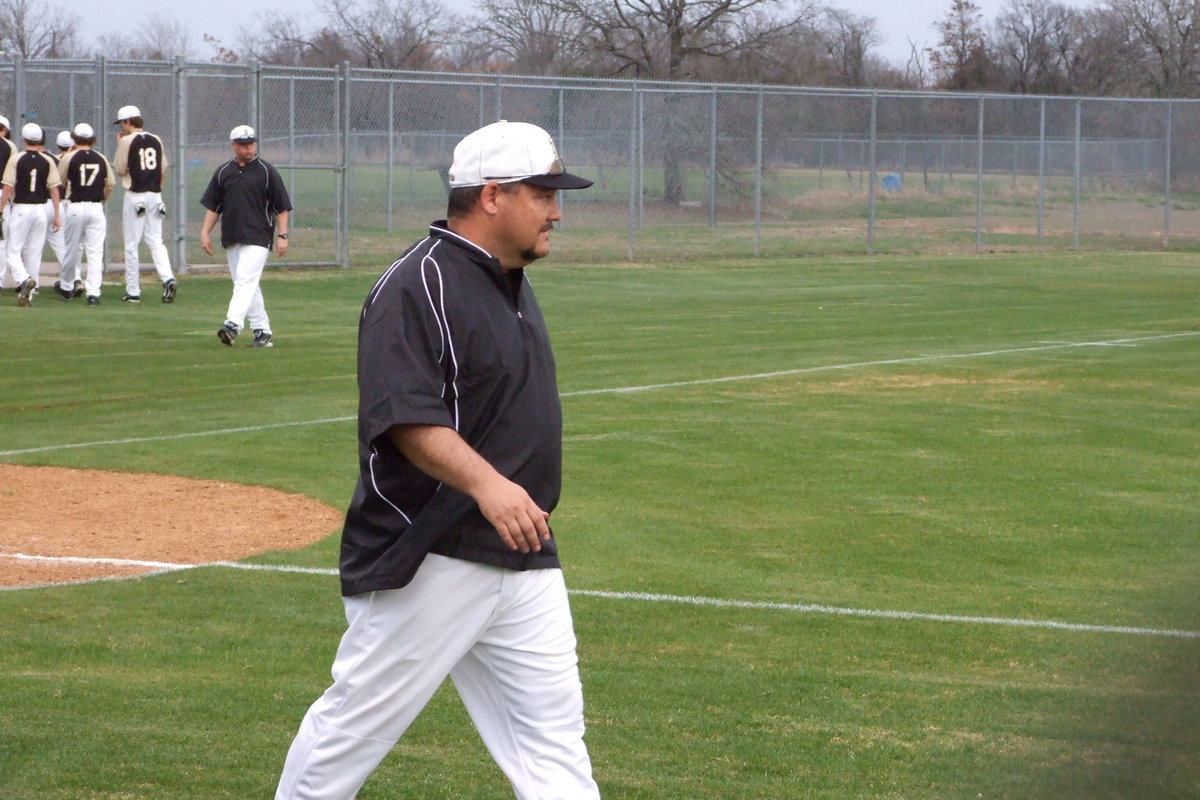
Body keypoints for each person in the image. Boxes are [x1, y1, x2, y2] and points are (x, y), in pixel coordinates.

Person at [274, 120, 599, 800]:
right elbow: (402, 418)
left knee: (554, 746)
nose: (557, 210)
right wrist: (489, 486)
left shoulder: (507, 280)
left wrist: (510, 499)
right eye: (542, 194)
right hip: (431, 552)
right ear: (491, 196)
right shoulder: (417, 284)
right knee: (350, 735)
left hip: (524, 550)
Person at [199, 124, 291, 348]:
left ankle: (232, 326)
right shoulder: (224, 172)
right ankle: (262, 332)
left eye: (251, 144)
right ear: (234, 146)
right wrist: (205, 232)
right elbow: (214, 206)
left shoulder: (266, 171)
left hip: (259, 236)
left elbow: (282, 207)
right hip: (232, 236)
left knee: (244, 281)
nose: (249, 148)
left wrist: (283, 235)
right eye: (243, 144)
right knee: (248, 285)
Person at [112, 104, 177, 303]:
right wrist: (156, 191)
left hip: (136, 195)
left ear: (127, 122)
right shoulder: (156, 139)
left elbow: (120, 170)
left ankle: (133, 291)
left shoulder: (127, 141)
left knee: (132, 245)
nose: (121, 128)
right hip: (155, 195)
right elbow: (162, 170)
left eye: (122, 124)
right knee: (156, 241)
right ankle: (168, 278)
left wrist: (119, 145)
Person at [1, 123, 62, 307]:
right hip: (41, 209)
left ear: (24, 139)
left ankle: (24, 279)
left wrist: (1, 208)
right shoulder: (48, 160)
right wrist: (57, 215)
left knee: (13, 251)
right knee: (34, 253)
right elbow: (54, 189)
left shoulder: (17, 159)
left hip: (22, 208)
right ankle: (30, 294)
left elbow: (8, 186)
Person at [55, 123, 114, 305]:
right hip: (96, 207)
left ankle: (66, 287)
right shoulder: (101, 158)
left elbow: (61, 182)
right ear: (92, 138)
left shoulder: (69, 157)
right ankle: (93, 293)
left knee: (71, 250)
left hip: (75, 206)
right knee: (95, 252)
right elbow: (110, 184)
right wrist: (102, 200)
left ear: (75, 138)